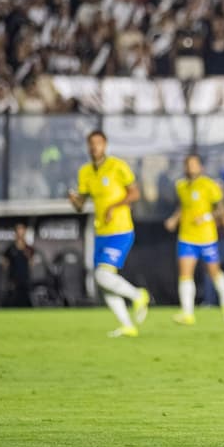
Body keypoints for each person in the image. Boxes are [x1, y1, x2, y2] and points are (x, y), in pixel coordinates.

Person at [68, 130, 149, 337]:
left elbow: (135, 193)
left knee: (102, 275)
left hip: (120, 230)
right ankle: (127, 325)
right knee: (104, 281)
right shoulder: (85, 172)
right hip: (101, 233)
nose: (95, 147)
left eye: (99, 143)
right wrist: (74, 200)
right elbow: (80, 205)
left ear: (105, 145)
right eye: (92, 143)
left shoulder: (117, 166)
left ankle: (138, 295)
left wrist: (114, 206)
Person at [164, 154, 224, 325]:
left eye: (194, 164)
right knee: (185, 274)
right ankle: (187, 313)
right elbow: (183, 206)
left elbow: (221, 210)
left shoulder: (209, 185)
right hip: (186, 236)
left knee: (214, 273)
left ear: (201, 167)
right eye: (188, 164)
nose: (190, 168)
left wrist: (206, 217)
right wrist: (174, 219)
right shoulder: (181, 186)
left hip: (206, 237)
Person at [3, 223, 35, 307]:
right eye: (19, 231)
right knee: (12, 303)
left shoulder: (29, 249)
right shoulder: (10, 249)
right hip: (13, 281)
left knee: (26, 302)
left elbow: (31, 264)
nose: (21, 233)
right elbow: (5, 265)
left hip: (25, 280)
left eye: (22, 231)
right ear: (16, 233)